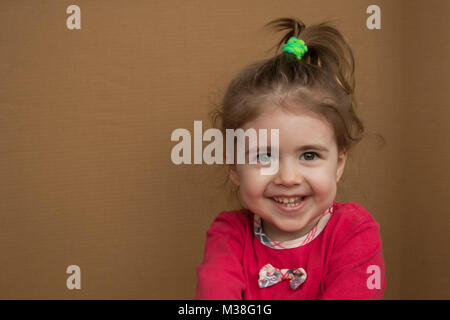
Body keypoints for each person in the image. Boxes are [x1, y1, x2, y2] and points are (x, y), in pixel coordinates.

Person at [195, 17, 385, 300]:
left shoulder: (354, 232)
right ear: (234, 167)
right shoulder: (229, 235)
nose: (287, 178)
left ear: (339, 164)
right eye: (263, 155)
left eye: (309, 155)